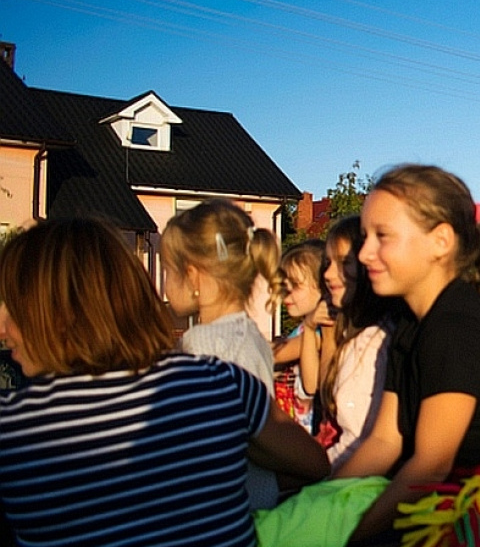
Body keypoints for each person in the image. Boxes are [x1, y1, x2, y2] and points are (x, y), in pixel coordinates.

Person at [0, 217, 328, 547]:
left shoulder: (14, 430)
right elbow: (314, 465)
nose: (3, 328)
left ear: (58, 314)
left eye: (11, 306)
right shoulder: (224, 381)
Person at [332, 164, 480, 542]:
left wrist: (349, 538)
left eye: (382, 236)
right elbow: (385, 441)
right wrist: (317, 500)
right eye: (364, 237)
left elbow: (432, 465)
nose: (365, 253)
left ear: (441, 241)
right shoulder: (410, 323)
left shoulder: (456, 327)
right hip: (458, 483)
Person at [161, 198, 285, 510]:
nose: (164, 284)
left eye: (167, 270)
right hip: (257, 498)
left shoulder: (202, 345)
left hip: (226, 504)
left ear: (192, 276)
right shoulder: (251, 336)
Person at [317, 215, 403, 469]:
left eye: (345, 263)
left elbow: (358, 440)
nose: (328, 274)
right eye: (327, 263)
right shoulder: (357, 335)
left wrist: (318, 482)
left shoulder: (371, 343)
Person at [274, 239, 329, 436]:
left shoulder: (320, 332)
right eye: (284, 286)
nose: (286, 294)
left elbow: (277, 354)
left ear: (322, 287)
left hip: (309, 431)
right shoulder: (304, 329)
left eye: (295, 286)